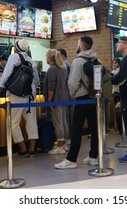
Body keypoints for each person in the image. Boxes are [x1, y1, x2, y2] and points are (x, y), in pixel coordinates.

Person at [0, 39, 40, 158]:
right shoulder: (31, 61)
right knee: (31, 121)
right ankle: (32, 149)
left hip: (16, 95)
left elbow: (6, 74)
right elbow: (36, 80)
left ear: (16, 48)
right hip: (30, 96)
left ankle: (23, 149)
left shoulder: (13, 57)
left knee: (14, 123)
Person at [55, 36, 99, 169]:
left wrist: (73, 94)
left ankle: (71, 159)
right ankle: (93, 157)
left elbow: (73, 82)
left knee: (76, 129)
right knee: (94, 128)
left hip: (81, 98)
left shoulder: (78, 61)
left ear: (80, 45)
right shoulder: (97, 59)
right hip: (94, 98)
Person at [43, 49, 70, 155]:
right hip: (64, 99)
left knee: (58, 123)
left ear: (50, 58)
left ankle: (60, 146)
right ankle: (65, 144)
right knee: (64, 121)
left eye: (46, 57)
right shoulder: (63, 69)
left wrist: (50, 100)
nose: (46, 59)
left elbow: (51, 87)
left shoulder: (52, 70)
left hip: (56, 99)